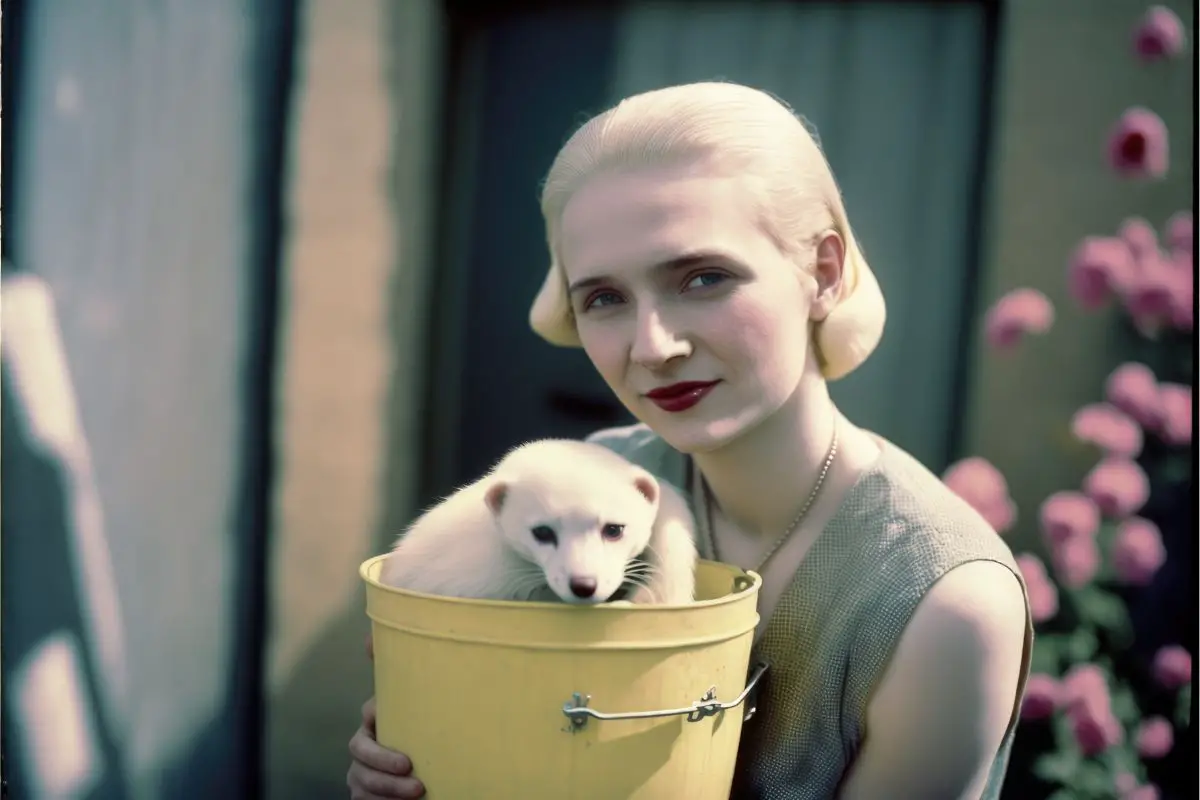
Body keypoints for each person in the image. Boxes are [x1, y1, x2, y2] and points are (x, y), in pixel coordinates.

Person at [347, 81, 1032, 800]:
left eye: (704, 278)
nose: (653, 346)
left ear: (823, 273)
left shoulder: (944, 604)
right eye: (605, 298)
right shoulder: (608, 478)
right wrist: (431, 750)